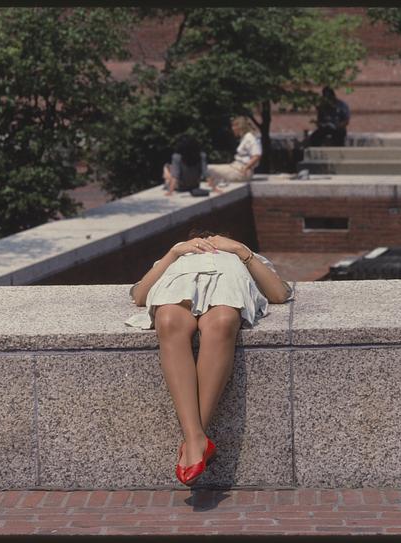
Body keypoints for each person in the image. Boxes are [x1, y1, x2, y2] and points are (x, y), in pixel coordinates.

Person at [125, 229, 293, 486]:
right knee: (168, 321)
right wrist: (174, 252)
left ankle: (193, 441)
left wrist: (238, 249)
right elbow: (139, 295)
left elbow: (279, 293)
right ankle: (197, 441)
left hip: (228, 286)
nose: (207, 240)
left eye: (213, 236)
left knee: (223, 322)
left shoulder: (242, 253)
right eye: (202, 237)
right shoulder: (176, 255)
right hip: (177, 288)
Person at [205, 117, 262, 191]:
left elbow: (257, 155)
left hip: (241, 170)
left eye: (234, 126)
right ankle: (215, 185)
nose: (232, 128)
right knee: (211, 171)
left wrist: (246, 168)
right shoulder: (245, 138)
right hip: (236, 166)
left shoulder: (249, 138)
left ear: (240, 127)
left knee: (208, 169)